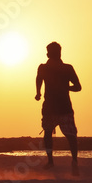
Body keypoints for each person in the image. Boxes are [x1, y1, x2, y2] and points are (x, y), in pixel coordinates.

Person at [35, 41, 81, 175]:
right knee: (68, 135)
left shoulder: (63, 68)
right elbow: (39, 80)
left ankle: (54, 161)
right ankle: (71, 160)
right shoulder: (62, 68)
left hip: (58, 107)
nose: (47, 53)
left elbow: (78, 87)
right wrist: (38, 92)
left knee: (52, 134)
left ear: (52, 53)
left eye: (48, 51)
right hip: (57, 107)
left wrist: (38, 93)